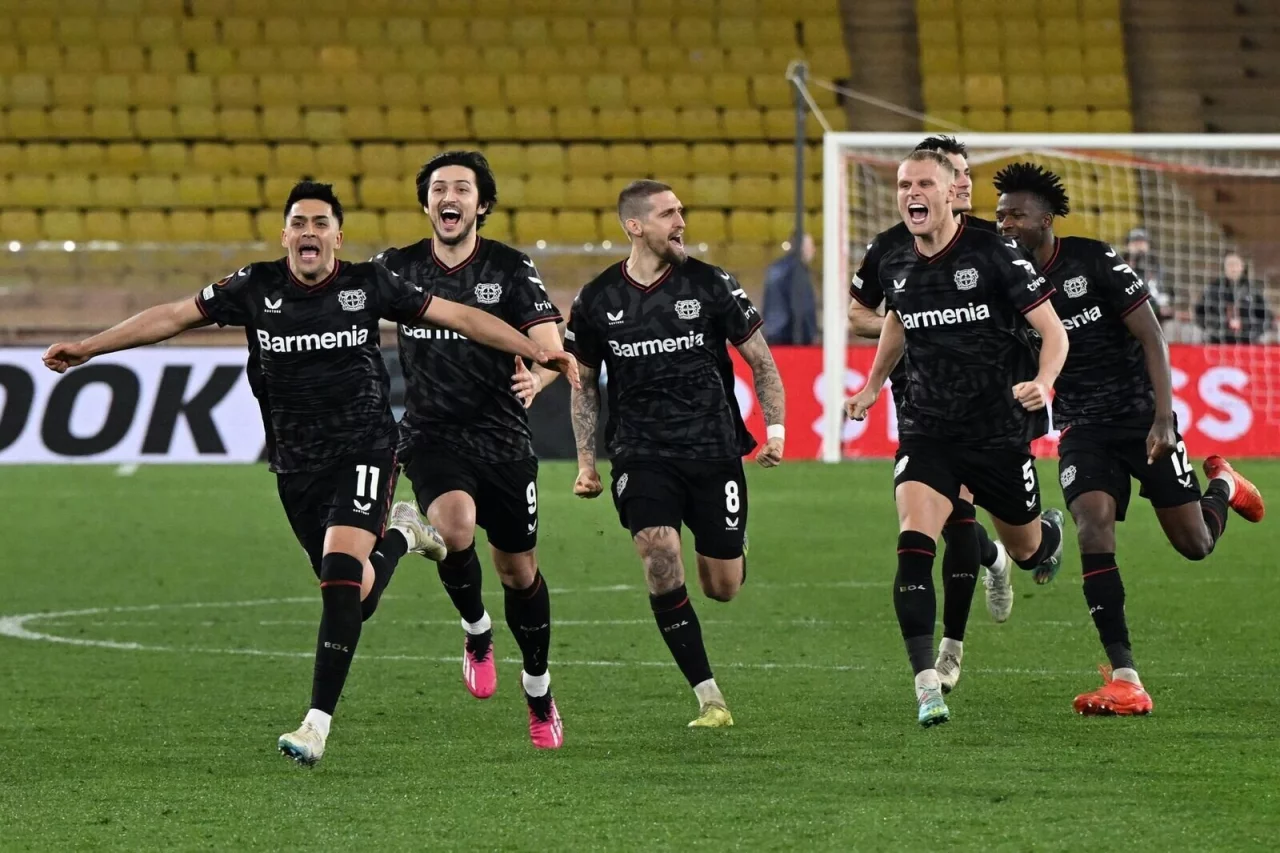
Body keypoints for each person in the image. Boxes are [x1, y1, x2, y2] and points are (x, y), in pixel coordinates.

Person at [42, 181, 579, 766]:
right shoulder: (255, 286)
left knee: (341, 579)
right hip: (297, 464)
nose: (309, 232)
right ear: (285, 235)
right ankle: (404, 535)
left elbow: (460, 315)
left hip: (366, 449)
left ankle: (316, 725)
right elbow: (173, 316)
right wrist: (90, 347)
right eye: (299, 222)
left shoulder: (368, 284)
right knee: (355, 596)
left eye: (321, 223)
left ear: (337, 238)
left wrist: (537, 350)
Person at [994, 163, 1266, 715]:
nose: (1005, 225)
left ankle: (1223, 486)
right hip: (1083, 428)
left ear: (1045, 219)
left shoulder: (1093, 260)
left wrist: (1163, 418)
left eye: (1015, 215)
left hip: (1140, 418)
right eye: (999, 216)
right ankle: (1125, 677)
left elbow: (1152, 335)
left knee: (1194, 545)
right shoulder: (1007, 282)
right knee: (1092, 526)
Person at [845, 150, 1069, 728]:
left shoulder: (994, 252)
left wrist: (1044, 382)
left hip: (997, 433)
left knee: (1027, 550)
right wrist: (872, 385)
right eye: (904, 185)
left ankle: (1048, 535)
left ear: (951, 193)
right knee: (914, 543)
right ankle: (927, 684)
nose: (911, 193)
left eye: (924, 183)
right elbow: (897, 319)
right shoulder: (896, 257)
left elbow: (1054, 331)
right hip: (929, 429)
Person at [565, 180, 786, 728]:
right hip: (641, 453)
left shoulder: (710, 283)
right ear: (635, 226)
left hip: (713, 450)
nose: (681, 221)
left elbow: (761, 361)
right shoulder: (597, 299)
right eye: (668, 214)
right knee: (660, 557)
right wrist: (587, 463)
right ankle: (710, 696)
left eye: (681, 211)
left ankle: (733, 546)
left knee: (722, 587)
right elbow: (584, 385)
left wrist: (776, 430)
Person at [373, 151, 566, 749]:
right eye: (438, 188)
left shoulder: (509, 267)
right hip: (432, 434)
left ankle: (538, 689)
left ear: (481, 204)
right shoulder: (397, 268)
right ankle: (476, 630)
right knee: (454, 529)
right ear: (426, 203)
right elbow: (343, 310)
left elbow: (550, 345)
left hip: (503, 440)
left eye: (461, 188)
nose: (448, 197)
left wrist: (539, 380)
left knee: (518, 571)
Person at [847, 135, 1014, 696]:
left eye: (963, 174)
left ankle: (968, 618)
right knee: (947, 519)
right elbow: (860, 314)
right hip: (919, 400)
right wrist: (924, 319)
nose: (961, 182)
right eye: (952, 173)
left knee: (972, 520)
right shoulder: (890, 248)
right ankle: (952, 644)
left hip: (988, 405)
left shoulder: (993, 244)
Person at [1196, 251, 1275, 344]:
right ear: (1224, 267)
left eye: (1236, 264)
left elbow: (1267, 316)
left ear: (1242, 266)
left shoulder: (1254, 290)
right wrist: (1215, 329)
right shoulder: (1212, 289)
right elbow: (1199, 313)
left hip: (1247, 343)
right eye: (1230, 264)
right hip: (1217, 342)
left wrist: (1252, 332)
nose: (1233, 268)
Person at [762, 233, 818, 345]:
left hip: (774, 335)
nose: (814, 250)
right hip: (790, 336)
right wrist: (811, 334)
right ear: (801, 248)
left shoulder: (776, 267)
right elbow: (803, 306)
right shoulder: (797, 271)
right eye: (810, 246)